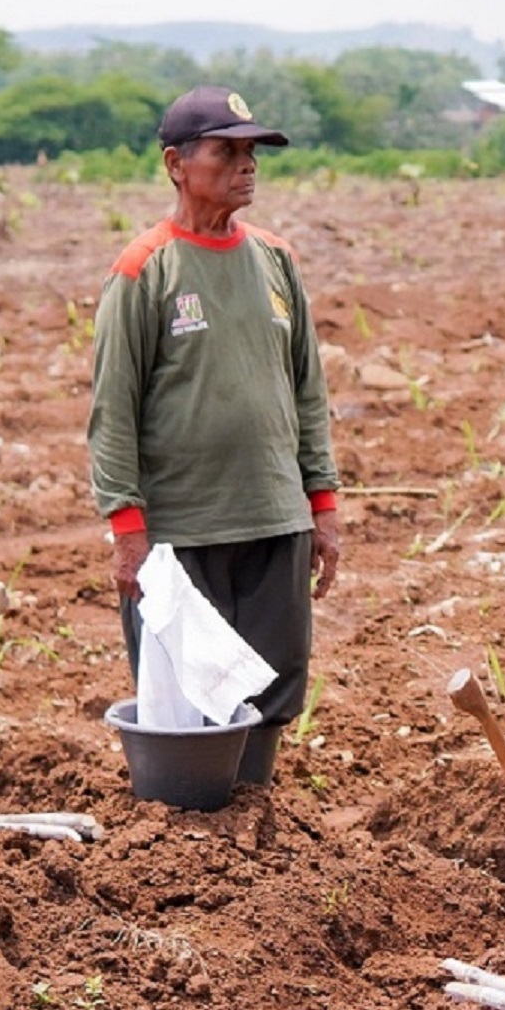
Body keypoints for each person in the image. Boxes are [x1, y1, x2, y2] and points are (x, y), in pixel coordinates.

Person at [88, 86, 342, 784]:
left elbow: (307, 391)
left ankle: (252, 811)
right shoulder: (145, 271)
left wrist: (321, 509)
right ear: (176, 163)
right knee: (182, 694)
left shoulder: (275, 260)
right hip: (182, 531)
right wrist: (128, 531)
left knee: (270, 687)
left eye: (252, 152)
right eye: (226, 151)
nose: (246, 165)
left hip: (273, 520)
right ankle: (185, 832)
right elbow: (114, 411)